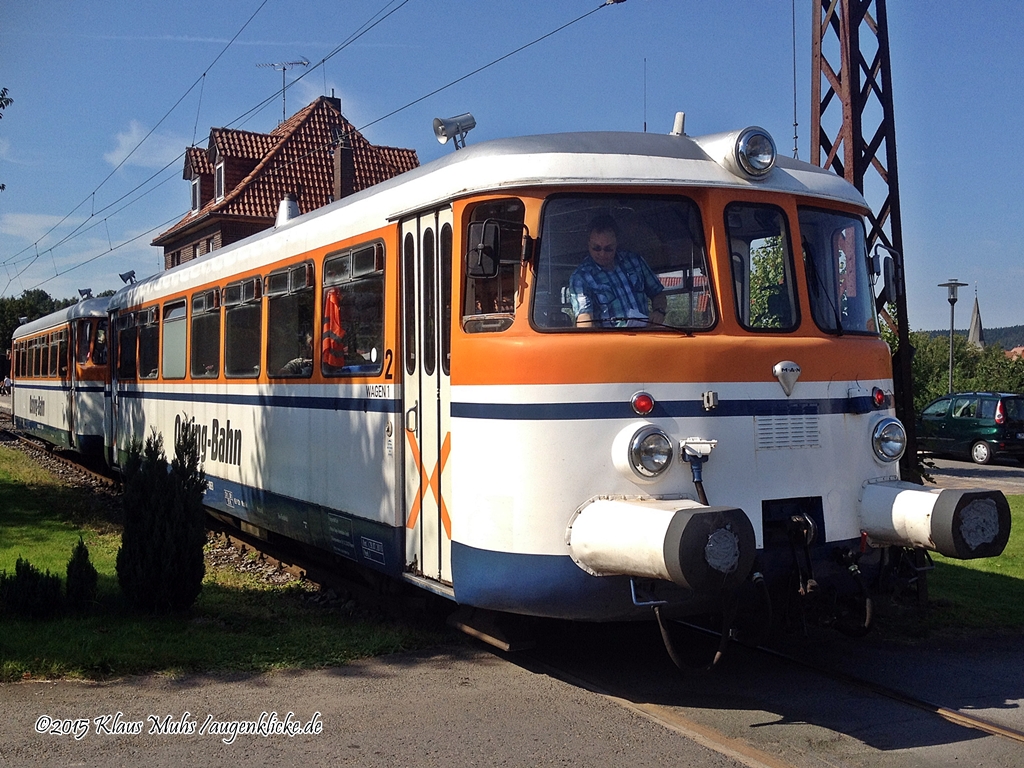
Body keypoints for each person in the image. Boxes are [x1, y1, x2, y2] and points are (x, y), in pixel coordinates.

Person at [568, 214, 667, 327]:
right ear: (588, 244)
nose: (602, 253)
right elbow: (584, 319)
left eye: (608, 248)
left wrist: (659, 311)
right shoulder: (580, 277)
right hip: (612, 342)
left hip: (645, 338)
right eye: (596, 248)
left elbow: (658, 293)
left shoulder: (635, 261)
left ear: (616, 243)